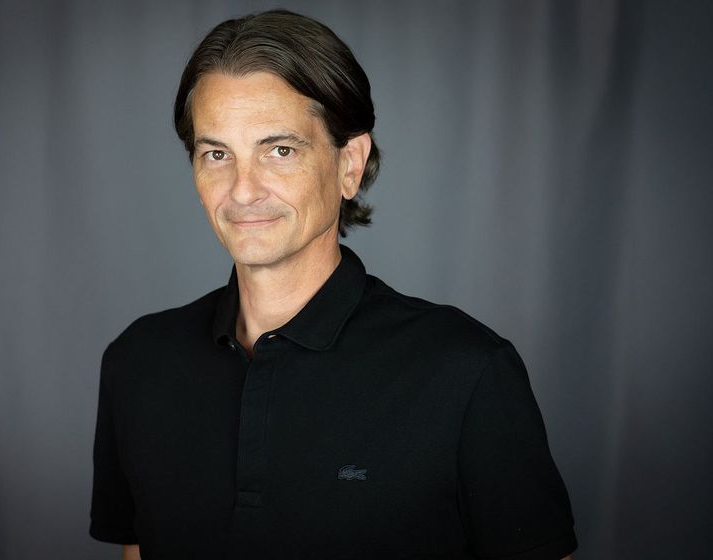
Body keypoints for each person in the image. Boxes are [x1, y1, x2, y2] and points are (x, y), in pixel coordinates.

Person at [90, 9, 576, 560]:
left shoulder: (466, 370)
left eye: (280, 150)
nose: (243, 191)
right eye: (216, 154)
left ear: (350, 163)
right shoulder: (137, 361)